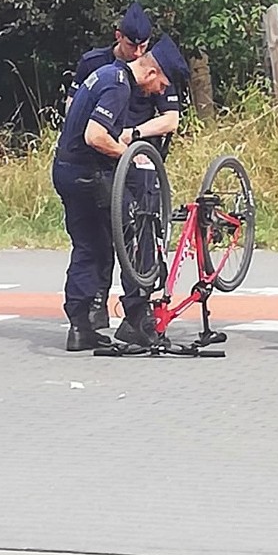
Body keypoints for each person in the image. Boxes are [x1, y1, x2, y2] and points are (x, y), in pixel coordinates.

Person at [52, 34, 189, 352]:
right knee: (136, 236)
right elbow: (95, 135)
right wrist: (126, 155)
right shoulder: (119, 86)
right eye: (162, 85)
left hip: (68, 170)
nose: (160, 93)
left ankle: (80, 325)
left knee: (90, 247)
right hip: (89, 174)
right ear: (152, 73)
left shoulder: (107, 73)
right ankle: (136, 320)